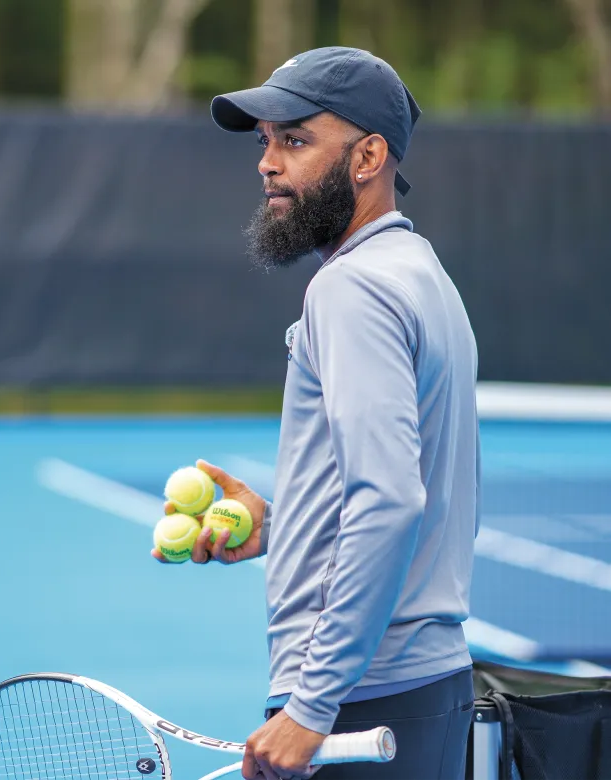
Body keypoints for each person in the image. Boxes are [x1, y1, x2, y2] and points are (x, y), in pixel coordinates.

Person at [153, 47, 480, 780]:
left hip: (363, 700)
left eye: (295, 140)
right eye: (266, 141)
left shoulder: (353, 289)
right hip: (418, 689)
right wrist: (285, 526)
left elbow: (391, 501)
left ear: (368, 156)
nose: (267, 162)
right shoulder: (420, 272)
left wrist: (311, 703)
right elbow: (403, 483)